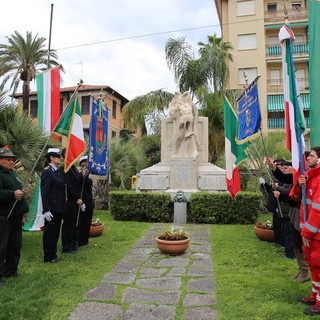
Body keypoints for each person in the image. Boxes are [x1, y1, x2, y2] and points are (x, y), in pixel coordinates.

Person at [266, 155, 310, 282]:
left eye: (311, 156)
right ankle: (302, 270)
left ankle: (306, 271)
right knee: (296, 241)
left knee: (302, 242)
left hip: (305, 212)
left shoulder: (312, 175)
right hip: (295, 210)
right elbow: (284, 178)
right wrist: (273, 167)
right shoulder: (299, 175)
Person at [292, 147, 320, 316]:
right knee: (314, 266)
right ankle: (315, 295)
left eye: (311, 155)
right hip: (308, 232)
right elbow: (295, 197)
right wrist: (299, 183)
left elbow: (317, 210)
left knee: (319, 266)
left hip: (315, 234)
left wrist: (307, 233)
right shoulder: (309, 176)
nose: (307, 158)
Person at [0, 147, 29, 286]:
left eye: (12, 159)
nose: (11, 162)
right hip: (4, 216)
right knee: (1, 247)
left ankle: (11, 270)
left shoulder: (12, 174)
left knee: (15, 245)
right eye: (8, 159)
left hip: (16, 217)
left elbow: (18, 194)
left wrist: (21, 214)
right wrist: (12, 194)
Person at [40, 148, 67, 263]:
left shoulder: (57, 171)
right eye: (58, 156)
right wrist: (46, 210)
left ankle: (53, 254)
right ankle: (48, 256)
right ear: (51, 157)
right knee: (50, 233)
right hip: (51, 208)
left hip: (59, 207)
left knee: (55, 232)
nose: (60, 158)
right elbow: (44, 192)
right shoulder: (47, 171)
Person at [60, 151, 83, 254]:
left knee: (74, 223)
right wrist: (76, 198)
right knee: (68, 224)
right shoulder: (64, 168)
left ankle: (73, 244)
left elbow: (77, 182)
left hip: (76, 201)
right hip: (69, 201)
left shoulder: (73, 167)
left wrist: (82, 175)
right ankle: (67, 247)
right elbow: (68, 186)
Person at [169, 91, 200, 158]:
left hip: (190, 120)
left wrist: (185, 94)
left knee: (190, 135)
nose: (180, 100)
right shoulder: (177, 106)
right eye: (178, 99)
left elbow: (195, 112)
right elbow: (171, 113)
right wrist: (176, 107)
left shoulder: (189, 104)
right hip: (182, 122)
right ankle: (175, 151)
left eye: (181, 98)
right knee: (179, 137)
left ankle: (195, 151)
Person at [78, 156, 95, 247]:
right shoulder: (80, 174)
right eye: (87, 162)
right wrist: (83, 176)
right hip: (83, 202)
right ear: (83, 163)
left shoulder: (89, 175)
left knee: (87, 222)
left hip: (89, 202)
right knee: (82, 222)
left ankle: (85, 239)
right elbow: (79, 188)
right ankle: (80, 240)